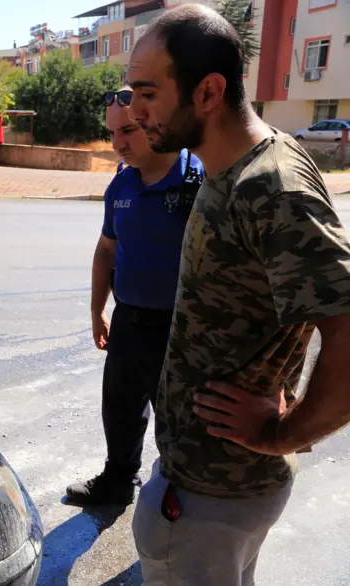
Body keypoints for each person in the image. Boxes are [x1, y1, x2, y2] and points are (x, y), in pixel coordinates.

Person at [126, 5, 350, 585]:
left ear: (208, 92)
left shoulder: (269, 186)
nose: (134, 110)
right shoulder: (233, 167)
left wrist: (284, 434)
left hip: (212, 500)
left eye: (147, 93)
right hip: (210, 490)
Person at [65, 87, 204, 506]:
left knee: (177, 419)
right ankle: (118, 479)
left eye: (127, 130)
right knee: (121, 408)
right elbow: (106, 250)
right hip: (129, 320)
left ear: (154, 123)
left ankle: (181, 494)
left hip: (179, 329)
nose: (118, 143)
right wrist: (97, 311)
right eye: (112, 133)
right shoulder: (121, 184)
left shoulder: (196, 179)